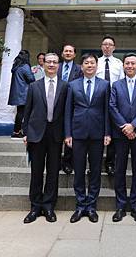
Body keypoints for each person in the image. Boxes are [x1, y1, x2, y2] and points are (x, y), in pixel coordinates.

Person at [22, 53, 69, 224]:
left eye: (54, 62)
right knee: (36, 171)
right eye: (48, 62)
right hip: (36, 133)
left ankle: (49, 205)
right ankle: (35, 206)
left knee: (53, 171)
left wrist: (67, 134)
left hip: (56, 134)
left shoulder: (65, 86)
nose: (51, 64)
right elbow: (27, 111)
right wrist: (25, 132)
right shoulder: (34, 86)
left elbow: (67, 112)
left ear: (59, 65)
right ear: (43, 65)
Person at [65, 53, 111, 223]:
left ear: (96, 66)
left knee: (96, 170)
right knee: (78, 170)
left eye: (92, 63)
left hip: (98, 134)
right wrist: (68, 134)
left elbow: (107, 110)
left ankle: (91, 206)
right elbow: (68, 111)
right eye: (86, 63)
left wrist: (107, 132)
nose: (89, 65)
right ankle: (80, 205)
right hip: (77, 134)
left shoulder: (105, 85)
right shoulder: (72, 85)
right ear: (81, 66)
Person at [109, 53, 136, 223]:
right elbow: (112, 106)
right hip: (120, 134)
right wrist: (125, 127)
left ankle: (135, 205)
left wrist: (133, 125)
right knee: (119, 170)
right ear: (123, 66)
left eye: (133, 63)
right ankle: (120, 205)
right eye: (127, 63)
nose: (129, 66)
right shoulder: (116, 85)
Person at [96, 35, 123, 176]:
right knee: (97, 133)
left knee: (111, 133)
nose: (107, 46)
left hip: (114, 101)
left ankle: (110, 163)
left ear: (114, 47)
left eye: (110, 44)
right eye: (105, 44)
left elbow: (121, 83)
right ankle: (96, 163)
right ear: (101, 46)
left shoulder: (119, 63)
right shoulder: (95, 62)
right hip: (97, 101)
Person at [57, 44, 83, 174]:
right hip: (56, 105)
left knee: (70, 134)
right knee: (56, 135)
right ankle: (55, 161)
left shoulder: (79, 69)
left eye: (70, 51)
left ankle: (67, 162)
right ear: (62, 54)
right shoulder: (56, 67)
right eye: (65, 51)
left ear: (74, 54)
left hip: (73, 105)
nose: (68, 53)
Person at [8, 50, 36, 139]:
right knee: (25, 113)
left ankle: (16, 131)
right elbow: (31, 79)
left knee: (19, 113)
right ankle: (22, 131)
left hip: (17, 93)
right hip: (24, 93)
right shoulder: (25, 66)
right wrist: (32, 72)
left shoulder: (16, 66)